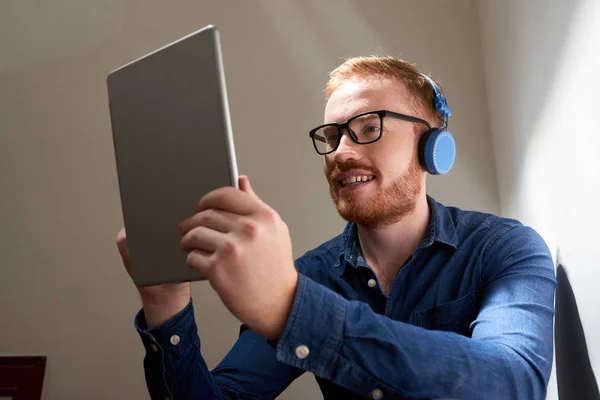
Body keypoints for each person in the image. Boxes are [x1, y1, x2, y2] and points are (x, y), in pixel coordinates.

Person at [116, 56, 556, 400]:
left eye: (368, 127)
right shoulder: (306, 278)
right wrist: (165, 302)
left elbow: (513, 382)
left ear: (432, 147)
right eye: (331, 136)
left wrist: (292, 312)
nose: (340, 153)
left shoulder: (505, 248)